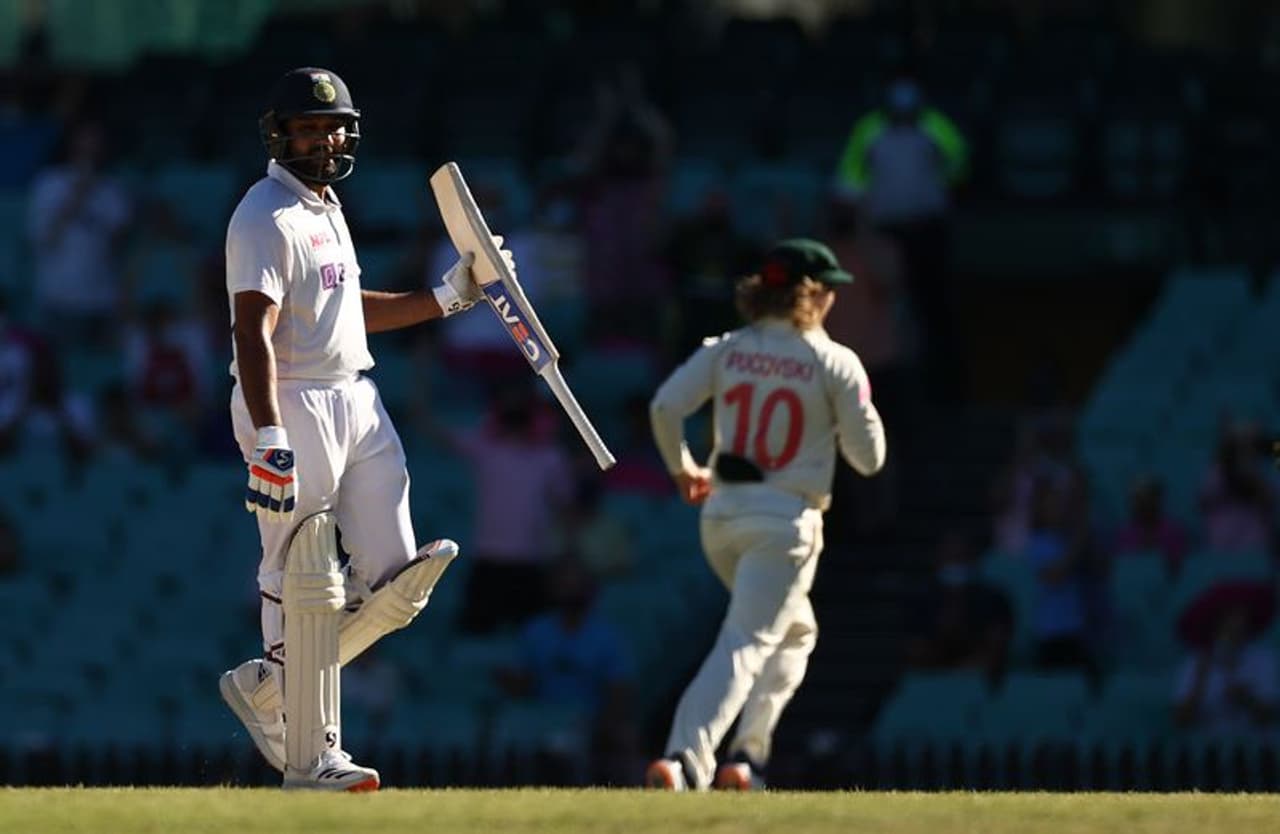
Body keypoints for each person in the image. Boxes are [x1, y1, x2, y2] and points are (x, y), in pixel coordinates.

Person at [216, 67, 511, 792]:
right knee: (301, 571)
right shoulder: (263, 213)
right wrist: (270, 432)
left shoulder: (326, 208)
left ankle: (272, 688)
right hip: (292, 398)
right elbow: (251, 330)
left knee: (395, 582)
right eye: (309, 128)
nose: (324, 139)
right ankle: (314, 759)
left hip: (356, 394)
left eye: (334, 126)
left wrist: (445, 298)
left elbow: (346, 312)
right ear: (280, 135)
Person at [644, 239, 886, 791]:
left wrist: (683, 471)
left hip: (722, 516)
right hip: (784, 523)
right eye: (827, 290)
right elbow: (869, 460)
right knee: (748, 641)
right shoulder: (833, 359)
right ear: (813, 295)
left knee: (796, 630)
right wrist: (855, 399)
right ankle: (686, 761)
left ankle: (748, 759)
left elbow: (664, 407)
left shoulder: (729, 347)